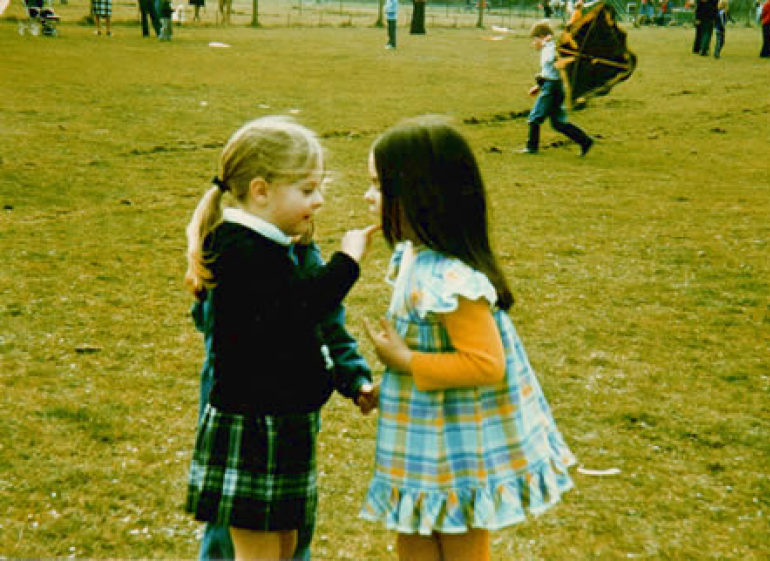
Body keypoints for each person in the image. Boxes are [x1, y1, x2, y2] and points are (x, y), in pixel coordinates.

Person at [360, 116, 577, 561]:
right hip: (422, 439)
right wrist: (392, 389)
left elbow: (484, 364)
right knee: (413, 528)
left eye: (380, 186)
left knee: (460, 538)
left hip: (457, 449)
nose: (369, 196)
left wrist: (404, 362)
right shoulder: (414, 260)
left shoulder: (453, 281)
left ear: (420, 196)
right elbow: (438, 351)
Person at [184, 115, 378, 561]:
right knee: (256, 552)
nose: (320, 200)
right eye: (308, 190)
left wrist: (351, 378)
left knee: (288, 545)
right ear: (261, 190)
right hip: (255, 427)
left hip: (285, 421)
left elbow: (319, 320)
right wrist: (347, 263)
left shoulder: (276, 245)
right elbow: (296, 310)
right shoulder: (238, 246)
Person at [519, 22, 593, 156]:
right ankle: (585, 141)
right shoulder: (549, 47)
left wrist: (546, 44)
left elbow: (551, 61)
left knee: (535, 117)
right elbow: (549, 71)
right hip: (552, 85)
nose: (533, 43)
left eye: (535, 39)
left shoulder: (551, 48)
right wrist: (538, 86)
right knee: (558, 123)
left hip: (552, 88)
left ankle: (531, 147)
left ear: (541, 36)